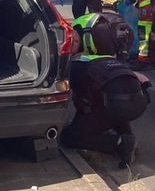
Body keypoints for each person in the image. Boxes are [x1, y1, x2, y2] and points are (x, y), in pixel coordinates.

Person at [62, 12, 150, 168]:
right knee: (111, 102)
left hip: (118, 103)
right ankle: (128, 137)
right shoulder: (105, 57)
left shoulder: (76, 65)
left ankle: (120, 143)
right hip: (140, 99)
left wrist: (77, 125)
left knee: (70, 137)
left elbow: (83, 103)